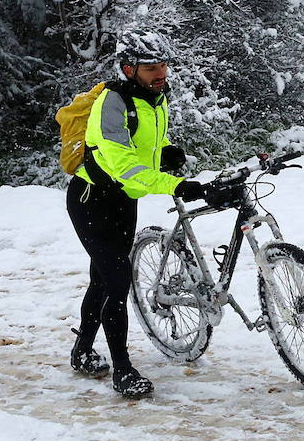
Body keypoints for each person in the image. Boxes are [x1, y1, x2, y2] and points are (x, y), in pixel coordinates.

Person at [66, 32, 208, 399]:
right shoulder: (112, 103)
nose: (160, 72)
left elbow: (146, 143)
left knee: (103, 279)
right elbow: (123, 164)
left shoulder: (156, 98)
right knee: (116, 280)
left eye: (163, 65)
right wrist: (173, 184)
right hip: (91, 199)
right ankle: (123, 370)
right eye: (150, 67)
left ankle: (81, 351)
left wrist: (167, 150)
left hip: (123, 201)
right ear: (130, 69)